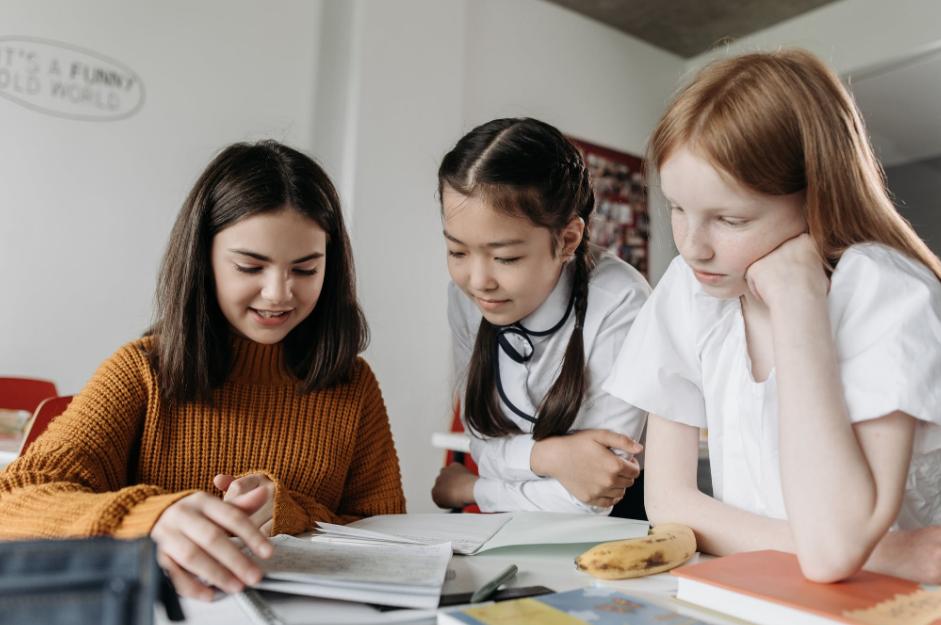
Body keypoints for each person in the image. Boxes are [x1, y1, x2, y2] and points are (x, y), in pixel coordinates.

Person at [0, 140, 406, 599]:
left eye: (306, 269)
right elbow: (12, 502)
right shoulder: (142, 372)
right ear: (204, 260)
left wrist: (288, 513)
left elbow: (386, 534)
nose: (278, 293)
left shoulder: (352, 383)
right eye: (250, 266)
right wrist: (151, 517)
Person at [604, 49, 941, 583]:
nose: (692, 247)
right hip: (759, 592)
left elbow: (831, 551)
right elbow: (668, 501)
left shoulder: (885, 293)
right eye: (677, 208)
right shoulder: (687, 295)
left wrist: (797, 302)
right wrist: (894, 553)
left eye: (731, 219)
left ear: (817, 195)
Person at [430, 117, 649, 516]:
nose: (478, 282)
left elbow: (594, 494)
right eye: (457, 252)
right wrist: (552, 458)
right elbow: (481, 441)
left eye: (505, 257)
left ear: (567, 240)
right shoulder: (463, 299)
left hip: (610, 531)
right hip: (507, 528)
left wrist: (472, 490)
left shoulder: (621, 301)